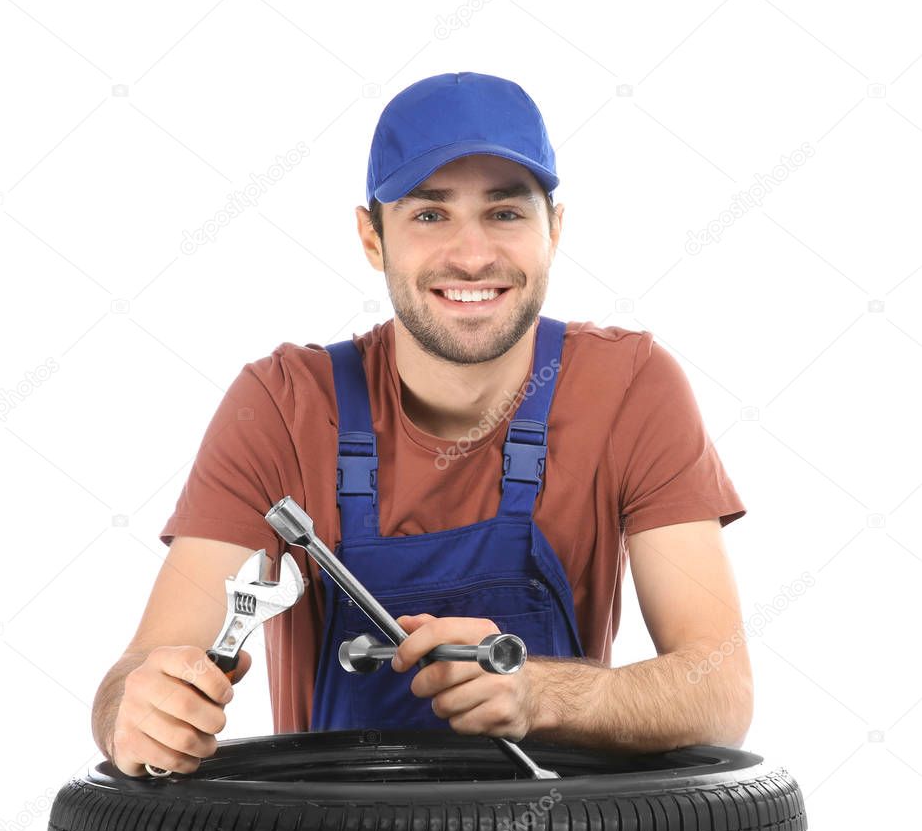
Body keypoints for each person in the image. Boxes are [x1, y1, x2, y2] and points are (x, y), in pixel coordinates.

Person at [92, 70, 752, 777]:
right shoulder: (281, 406)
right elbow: (133, 675)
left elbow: (720, 688)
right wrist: (140, 708)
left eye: (505, 212)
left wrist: (538, 693)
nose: (471, 255)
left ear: (553, 230)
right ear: (372, 237)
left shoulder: (630, 388)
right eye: (430, 214)